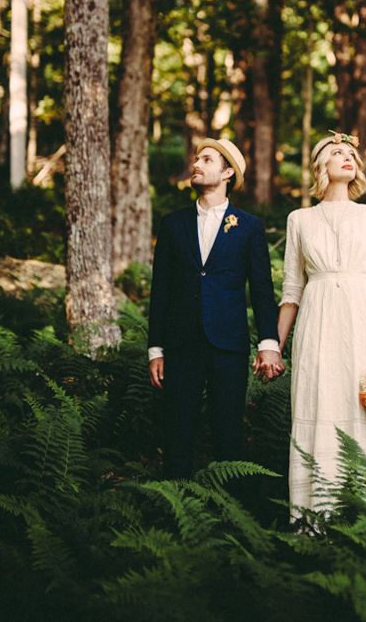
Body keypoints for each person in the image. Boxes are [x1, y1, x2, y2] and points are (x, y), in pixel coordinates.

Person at [276, 131, 366, 519]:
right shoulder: (299, 220)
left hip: (362, 323)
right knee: (318, 402)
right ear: (321, 166)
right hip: (316, 323)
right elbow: (292, 289)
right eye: (337, 152)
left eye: (352, 153)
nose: (347, 157)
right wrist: (273, 346)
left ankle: (364, 516)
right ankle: (314, 517)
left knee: (358, 407)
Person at [147, 137, 284, 478]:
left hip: (229, 345)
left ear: (226, 173)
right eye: (197, 159)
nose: (196, 164)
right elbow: (160, 289)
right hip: (181, 344)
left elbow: (262, 289)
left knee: (228, 434)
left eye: (206, 160)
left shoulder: (249, 226)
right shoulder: (172, 223)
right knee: (178, 432)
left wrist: (269, 343)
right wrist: (155, 348)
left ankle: (231, 514)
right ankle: (176, 505)